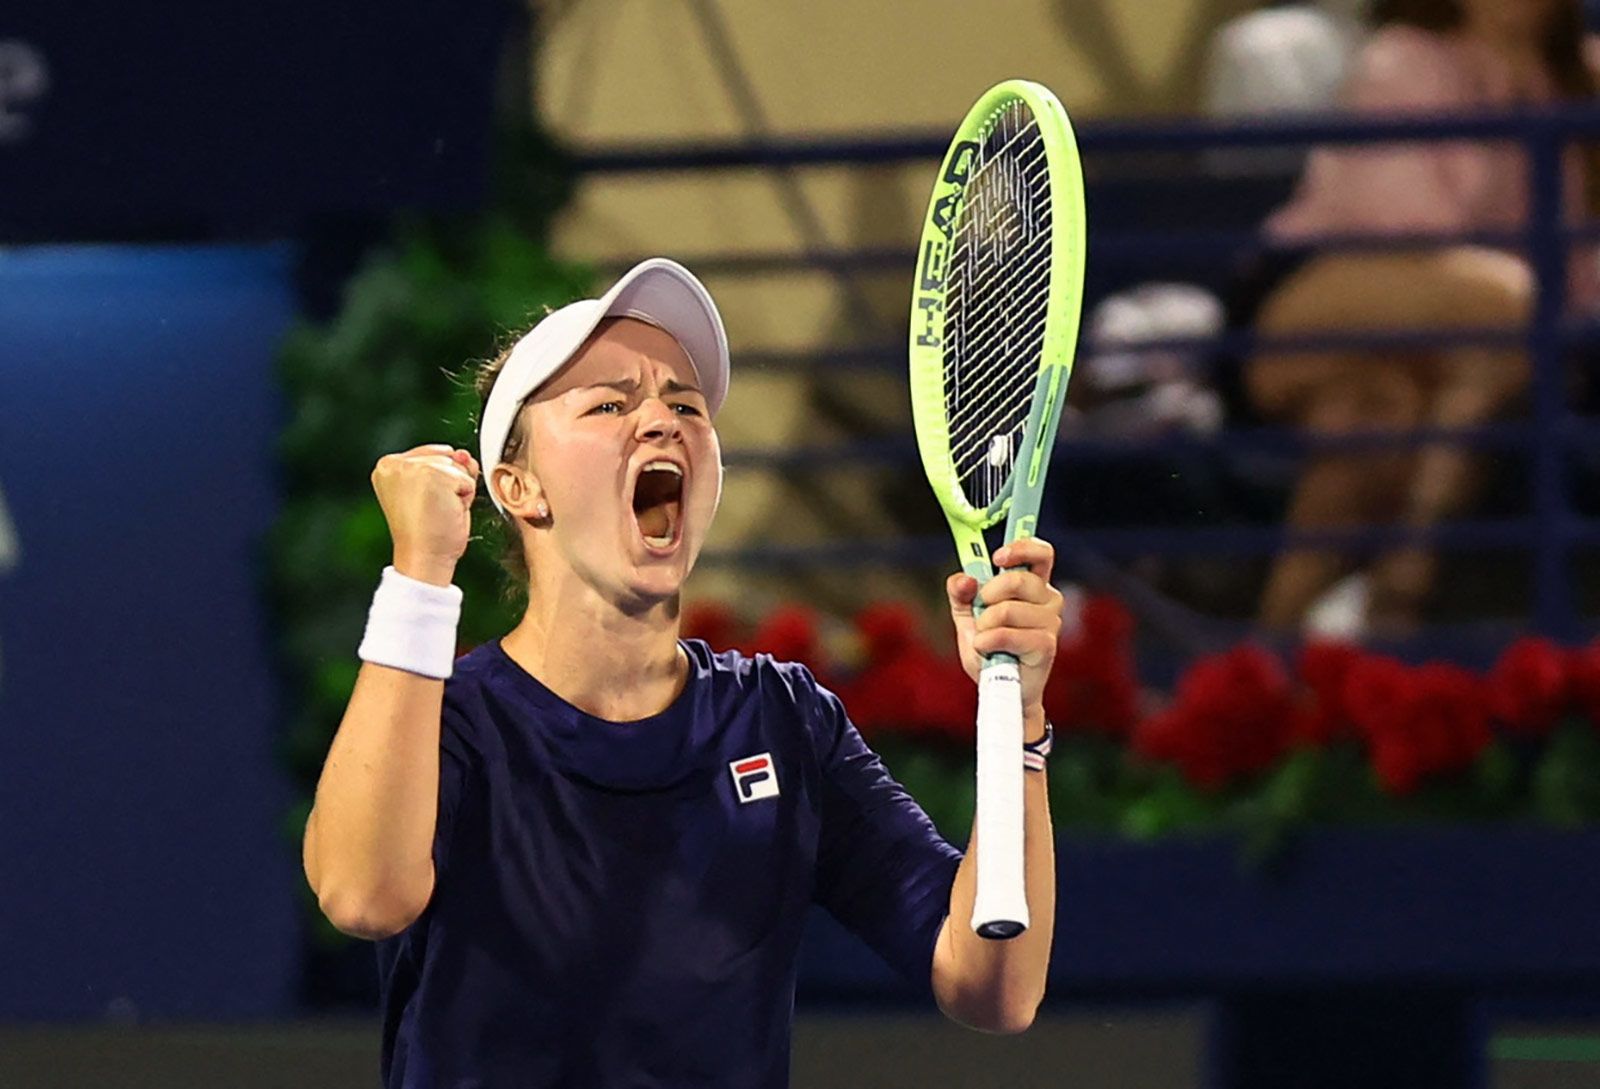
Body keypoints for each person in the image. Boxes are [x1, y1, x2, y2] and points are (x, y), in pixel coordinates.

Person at [300, 258, 1062, 1088]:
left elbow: (994, 985)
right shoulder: (448, 723)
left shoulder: (784, 720)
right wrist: (419, 572)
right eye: (611, 403)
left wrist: (1017, 726)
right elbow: (361, 895)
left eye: (685, 404)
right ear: (518, 487)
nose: (661, 419)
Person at [1231, 0, 1600, 632]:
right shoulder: (1402, 59)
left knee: (1373, 419)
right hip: (1332, 291)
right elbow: (1400, 224)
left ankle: (1269, 664)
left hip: (1469, 353)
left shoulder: (1578, 79)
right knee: (1509, 297)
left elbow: (1583, 258)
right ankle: (1410, 570)